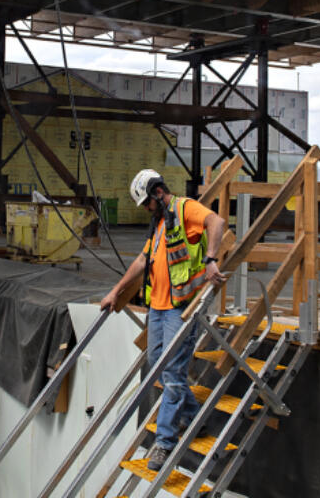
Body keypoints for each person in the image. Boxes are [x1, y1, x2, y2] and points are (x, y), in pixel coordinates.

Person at [99, 169, 227, 471]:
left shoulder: (184, 209)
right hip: (157, 307)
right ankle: (193, 417)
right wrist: (116, 292)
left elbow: (217, 222)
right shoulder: (158, 225)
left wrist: (211, 258)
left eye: (146, 203)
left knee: (172, 372)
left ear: (158, 192)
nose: (146, 210)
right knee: (158, 364)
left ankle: (165, 443)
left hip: (179, 309)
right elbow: (142, 261)